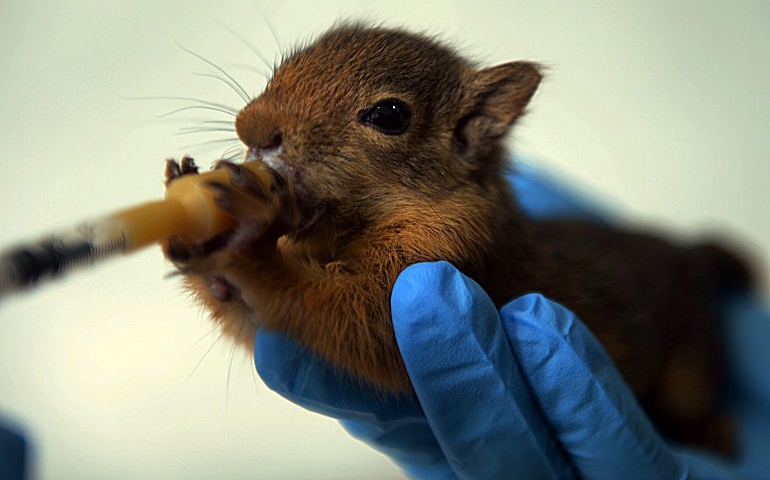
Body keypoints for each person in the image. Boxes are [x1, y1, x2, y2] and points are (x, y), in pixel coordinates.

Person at [254, 163, 770, 479]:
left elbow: (344, 318)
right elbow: (275, 307)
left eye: (386, 116)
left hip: (675, 317)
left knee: (685, 400)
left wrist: (253, 267)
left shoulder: (444, 241)